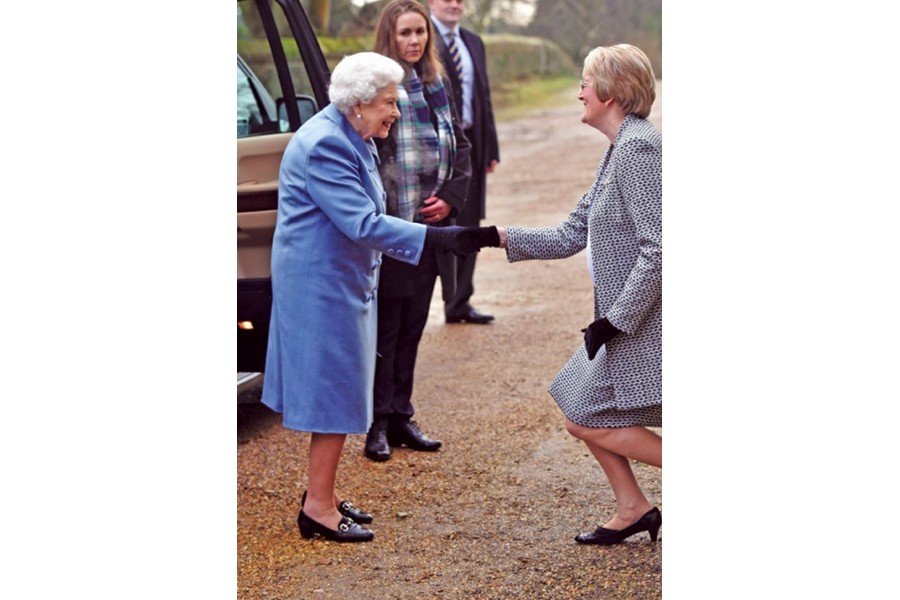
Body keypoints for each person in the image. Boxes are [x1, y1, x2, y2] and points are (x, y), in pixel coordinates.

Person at [260, 51, 480, 542]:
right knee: (334, 392)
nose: (395, 113)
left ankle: (325, 495)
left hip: (339, 279)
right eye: (388, 103)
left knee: (341, 388)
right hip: (321, 286)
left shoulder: (349, 133)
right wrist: (442, 239)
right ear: (358, 103)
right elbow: (363, 223)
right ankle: (317, 508)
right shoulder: (325, 145)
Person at [462, 44, 662, 545]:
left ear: (611, 92)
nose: (579, 92)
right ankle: (633, 507)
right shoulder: (619, 147)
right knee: (578, 408)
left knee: (586, 414)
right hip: (620, 321)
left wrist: (615, 321)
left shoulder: (640, 149)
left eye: (585, 83)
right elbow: (571, 233)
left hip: (642, 321)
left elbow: (659, 249)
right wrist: (496, 236)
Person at [363, 0, 472, 463]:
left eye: (420, 33)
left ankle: (402, 413)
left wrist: (450, 195)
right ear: (390, 37)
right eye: (405, 33)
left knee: (413, 326)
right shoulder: (378, 89)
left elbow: (461, 145)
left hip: (431, 227)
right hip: (392, 226)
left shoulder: (437, 84)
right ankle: (377, 423)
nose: (414, 41)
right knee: (386, 327)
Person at [428, 0, 500, 324]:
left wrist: (491, 148)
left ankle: (459, 302)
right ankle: (436, 298)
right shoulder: (421, 37)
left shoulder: (473, 42)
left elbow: (482, 97)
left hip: (472, 145)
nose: (455, 4)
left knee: (470, 224)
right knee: (439, 225)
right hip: (437, 150)